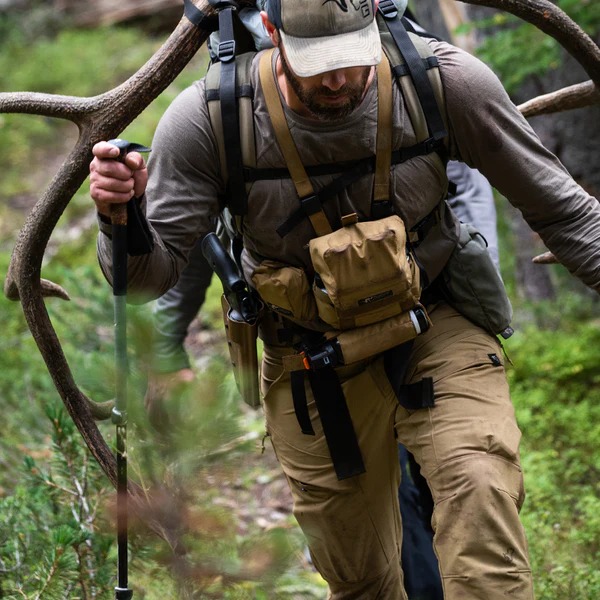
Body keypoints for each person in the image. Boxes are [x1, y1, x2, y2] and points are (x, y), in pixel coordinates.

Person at [89, 1, 600, 598]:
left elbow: (568, 215)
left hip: (436, 321)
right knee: (360, 577)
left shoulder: (444, 82)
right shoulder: (209, 120)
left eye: (351, 57)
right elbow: (146, 278)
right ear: (272, 33)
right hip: (308, 358)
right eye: (316, 64)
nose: (336, 79)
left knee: (479, 492)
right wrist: (119, 219)